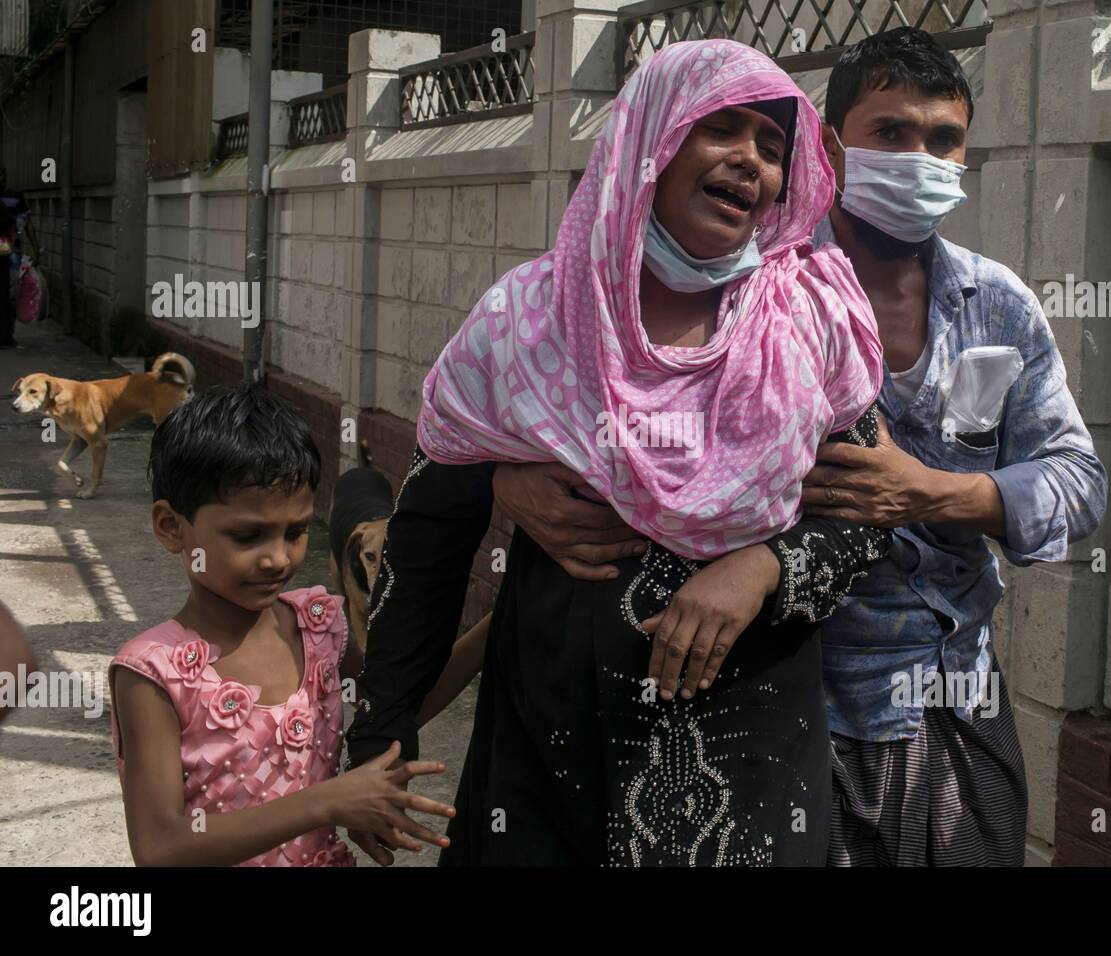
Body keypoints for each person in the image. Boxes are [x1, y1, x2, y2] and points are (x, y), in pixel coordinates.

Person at [491, 27, 1108, 867]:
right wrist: (505, 476)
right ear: (831, 145)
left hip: (955, 701)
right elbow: (596, 419)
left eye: (944, 140)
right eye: (891, 133)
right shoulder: (744, 288)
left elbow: (1078, 482)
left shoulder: (998, 307)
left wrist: (929, 492)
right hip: (790, 697)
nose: (920, 157)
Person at [345, 39, 891, 867]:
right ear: (651, 140)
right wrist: (378, 738)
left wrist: (762, 569)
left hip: (747, 765)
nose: (749, 161)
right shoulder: (525, 323)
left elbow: (869, 513)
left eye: (773, 147)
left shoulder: (808, 320)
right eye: (723, 130)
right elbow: (426, 546)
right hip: (548, 758)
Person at [108, 385, 464, 866]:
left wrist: (498, 623)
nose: (278, 558)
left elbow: (397, 701)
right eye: (248, 535)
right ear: (172, 528)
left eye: (296, 532)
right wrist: (326, 801)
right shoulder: (152, 674)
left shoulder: (319, 630)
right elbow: (160, 846)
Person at [0, 163, 37, 348]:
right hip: (10, 248)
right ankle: (7, 335)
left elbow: (27, 224)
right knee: (11, 293)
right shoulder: (14, 196)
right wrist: (36, 249)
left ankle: (6, 334)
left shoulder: (14, 196)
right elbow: (27, 224)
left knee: (10, 293)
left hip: (9, 250)